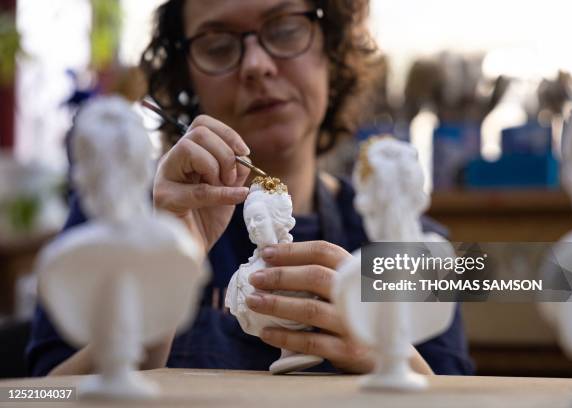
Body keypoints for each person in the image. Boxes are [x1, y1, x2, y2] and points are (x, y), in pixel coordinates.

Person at [27, 0, 474, 376]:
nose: (257, 66)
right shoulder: (119, 218)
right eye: (219, 46)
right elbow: (35, 397)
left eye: (284, 30)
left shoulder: (407, 241)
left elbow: (457, 400)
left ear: (331, 47)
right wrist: (148, 297)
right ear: (187, 77)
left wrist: (388, 349)